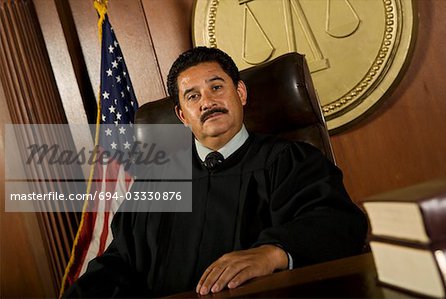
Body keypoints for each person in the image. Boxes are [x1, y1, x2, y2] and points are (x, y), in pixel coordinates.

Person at [64, 47, 368, 298]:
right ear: (183, 116)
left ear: (241, 93)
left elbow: (337, 222)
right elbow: (121, 261)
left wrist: (274, 252)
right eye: (193, 96)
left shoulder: (288, 161)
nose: (207, 102)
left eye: (217, 87)